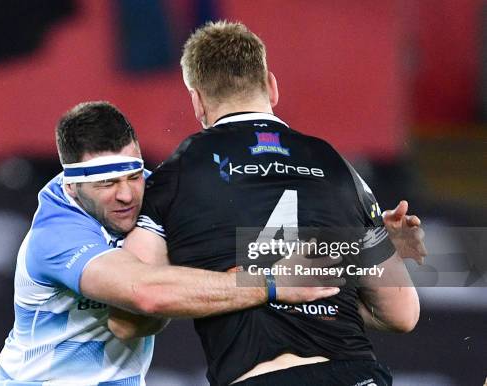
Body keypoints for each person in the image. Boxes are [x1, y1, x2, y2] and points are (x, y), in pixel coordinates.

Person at [120, 21, 423, 386]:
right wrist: (331, 281)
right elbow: (402, 313)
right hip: (356, 375)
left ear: (197, 101)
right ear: (272, 86)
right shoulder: (339, 166)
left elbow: (130, 316)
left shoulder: (175, 174)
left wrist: (210, 290)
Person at [0, 101, 350, 386]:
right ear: (72, 186)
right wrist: (269, 283)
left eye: (133, 175)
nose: (127, 196)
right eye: (107, 184)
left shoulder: (156, 194)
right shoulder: (56, 237)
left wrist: (376, 234)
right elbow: (144, 298)